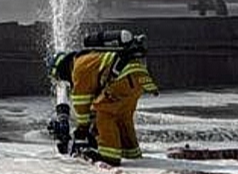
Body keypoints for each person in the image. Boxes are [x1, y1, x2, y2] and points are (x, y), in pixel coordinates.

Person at [47, 30, 158, 166]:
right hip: (137, 76)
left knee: (103, 111)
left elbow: (82, 106)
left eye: (61, 78)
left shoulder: (78, 68)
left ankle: (109, 156)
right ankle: (131, 152)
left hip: (123, 78)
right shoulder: (89, 58)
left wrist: (81, 131)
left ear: (62, 70)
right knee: (122, 116)